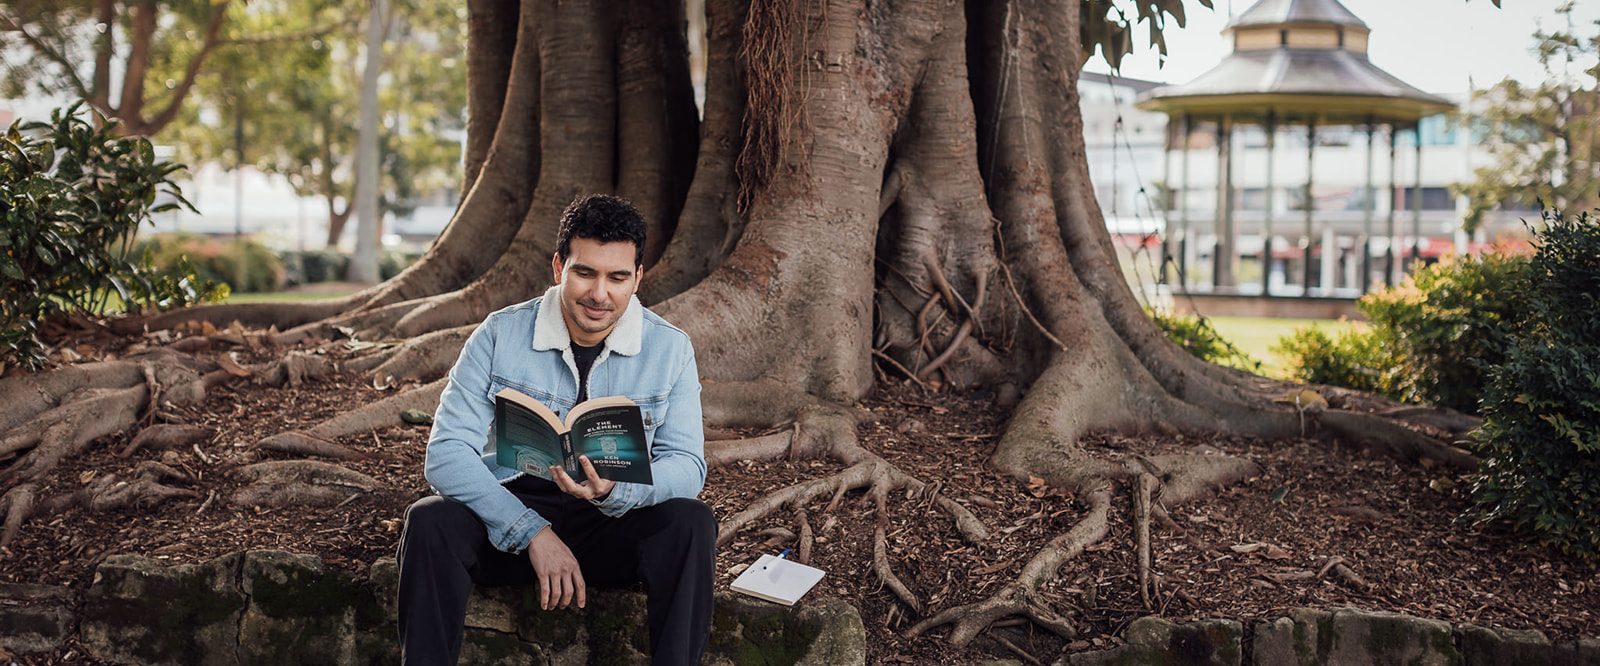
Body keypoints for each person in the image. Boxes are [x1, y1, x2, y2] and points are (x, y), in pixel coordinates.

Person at [396, 194, 714, 665]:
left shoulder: (669, 348)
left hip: (611, 522)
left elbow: (687, 466)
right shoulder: (500, 334)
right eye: (585, 273)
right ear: (558, 267)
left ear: (637, 278)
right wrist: (531, 532)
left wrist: (617, 491)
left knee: (691, 522)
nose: (599, 294)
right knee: (429, 520)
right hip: (514, 516)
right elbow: (446, 453)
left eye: (617, 277)